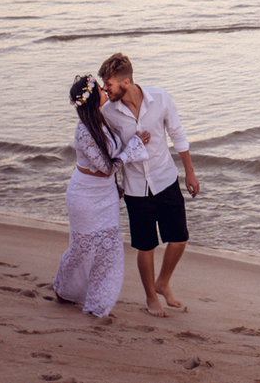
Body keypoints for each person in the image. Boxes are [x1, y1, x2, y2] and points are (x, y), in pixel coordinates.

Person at [98, 52, 199, 318]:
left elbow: (178, 135)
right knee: (145, 246)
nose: (105, 89)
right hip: (135, 187)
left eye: (108, 84)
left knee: (179, 238)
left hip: (165, 177)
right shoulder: (108, 112)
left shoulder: (160, 98)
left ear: (126, 83)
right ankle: (151, 298)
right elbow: (110, 150)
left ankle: (162, 282)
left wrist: (189, 172)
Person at [52, 74, 151, 318]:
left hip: (105, 195)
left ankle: (99, 305)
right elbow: (107, 166)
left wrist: (117, 186)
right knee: (81, 250)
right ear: (94, 97)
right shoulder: (84, 132)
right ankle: (65, 290)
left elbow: (110, 166)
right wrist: (134, 147)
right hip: (84, 197)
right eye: (100, 88)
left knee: (110, 250)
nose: (105, 89)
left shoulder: (103, 120)